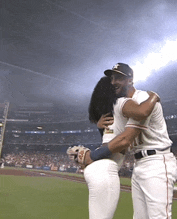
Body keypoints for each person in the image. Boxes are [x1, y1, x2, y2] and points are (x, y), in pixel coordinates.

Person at [82, 63, 177, 219]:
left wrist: (93, 156)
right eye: (112, 78)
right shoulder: (123, 104)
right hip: (140, 163)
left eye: (119, 78)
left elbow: (125, 139)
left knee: (159, 217)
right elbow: (114, 135)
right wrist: (99, 125)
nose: (113, 82)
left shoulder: (143, 99)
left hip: (157, 161)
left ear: (130, 80)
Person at [69, 75, 160, 219]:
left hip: (97, 172)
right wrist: (153, 96)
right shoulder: (121, 103)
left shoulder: (108, 113)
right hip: (104, 172)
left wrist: (93, 151)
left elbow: (111, 137)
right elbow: (141, 113)